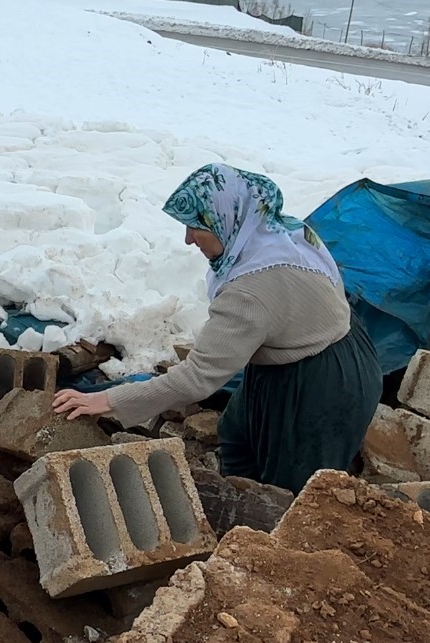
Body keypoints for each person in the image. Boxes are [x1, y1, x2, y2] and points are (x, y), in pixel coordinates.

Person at [52, 163, 383, 493]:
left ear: (225, 220)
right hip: (328, 343)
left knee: (293, 487)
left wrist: (108, 401)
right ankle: (245, 506)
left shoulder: (249, 289)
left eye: (197, 227)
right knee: (238, 433)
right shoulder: (276, 232)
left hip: (320, 382)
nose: (187, 239)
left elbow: (198, 378)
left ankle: (271, 536)